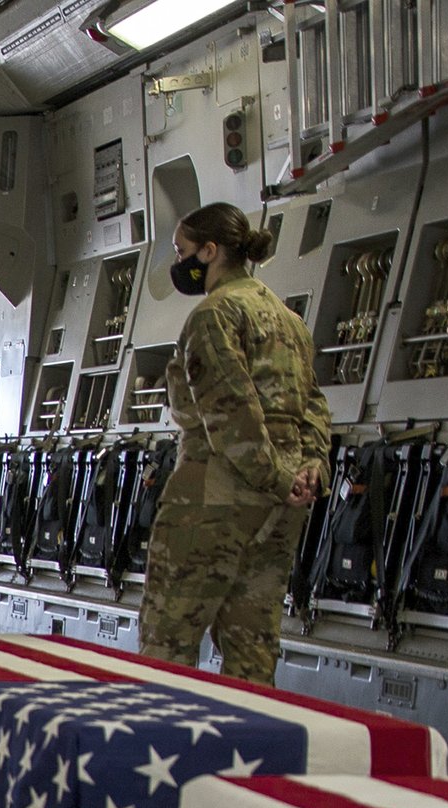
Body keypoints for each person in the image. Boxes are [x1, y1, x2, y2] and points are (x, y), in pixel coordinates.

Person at [137, 202, 329, 685]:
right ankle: (248, 756)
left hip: (215, 499)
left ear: (211, 250)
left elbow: (230, 411)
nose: (180, 264)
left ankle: (162, 756)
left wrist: (275, 477)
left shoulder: (215, 315)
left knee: (168, 643)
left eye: (183, 252)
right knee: (253, 649)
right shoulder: (290, 321)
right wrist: (308, 470)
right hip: (281, 509)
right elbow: (315, 407)